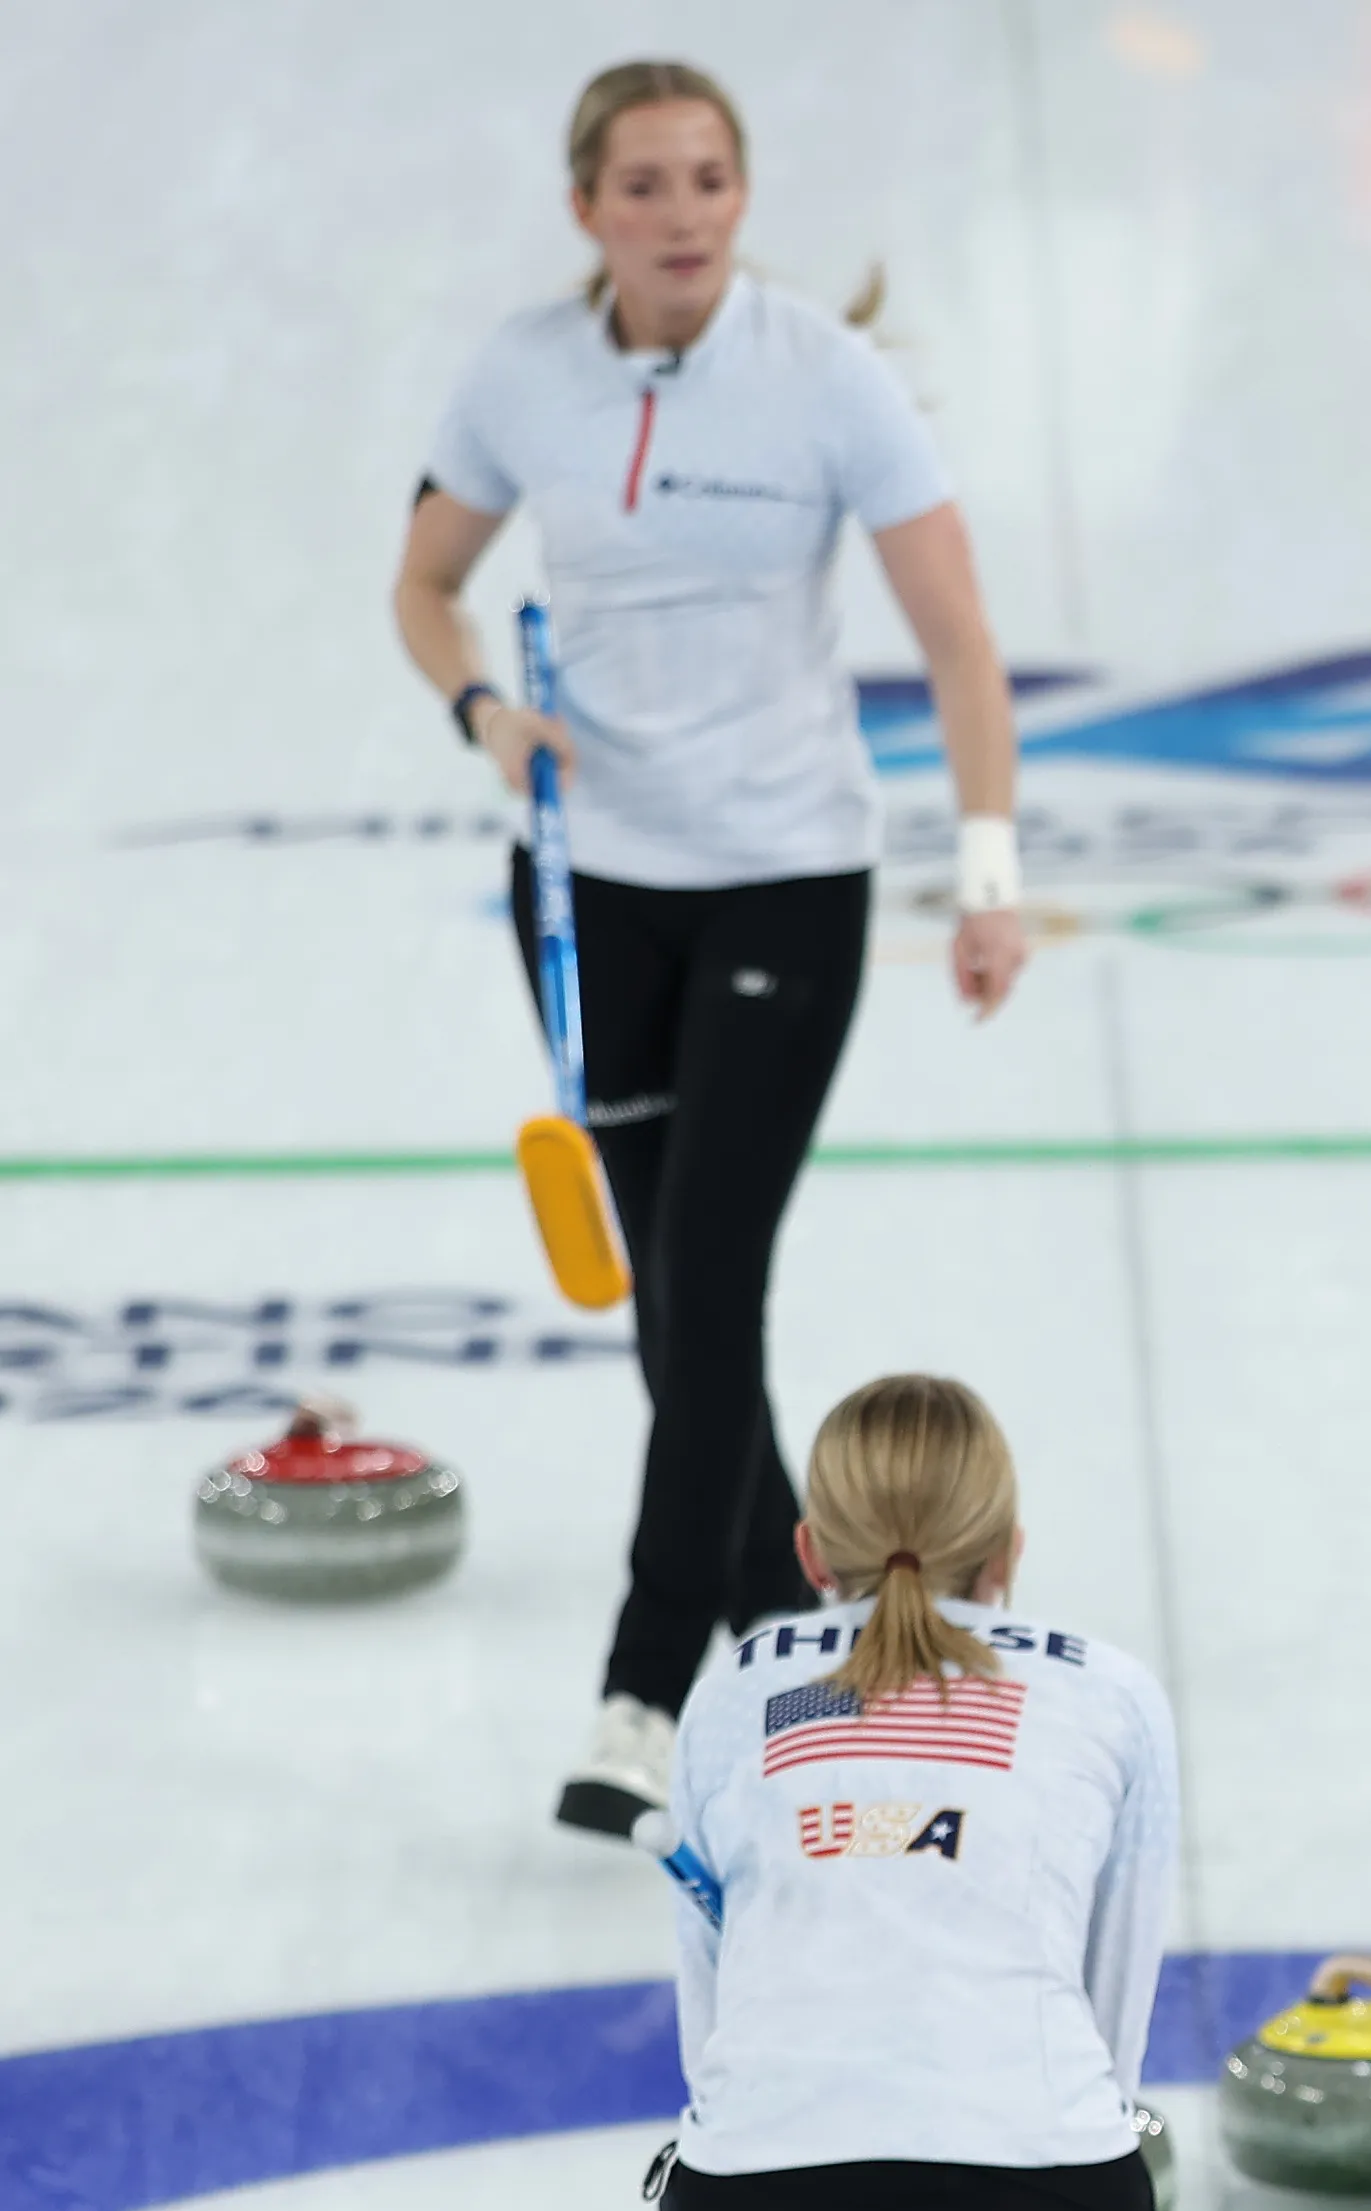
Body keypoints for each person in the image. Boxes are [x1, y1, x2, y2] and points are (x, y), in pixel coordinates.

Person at [392, 59, 1035, 1837]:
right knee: (668, 1304)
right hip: (590, 888)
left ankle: (648, 1680)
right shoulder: (524, 373)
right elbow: (423, 580)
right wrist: (480, 713)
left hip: (781, 875)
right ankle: (784, 1616)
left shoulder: (824, 383)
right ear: (587, 205)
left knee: (714, 1267)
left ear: (743, 200)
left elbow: (963, 641)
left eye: (708, 182)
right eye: (645, 186)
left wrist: (987, 874)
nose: (681, 216)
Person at [651, 1374, 1179, 2211]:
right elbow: (1115, 2002)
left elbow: (711, 1997)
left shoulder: (735, 1690)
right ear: (1008, 1549)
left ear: (809, 1550)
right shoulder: (1110, 1693)